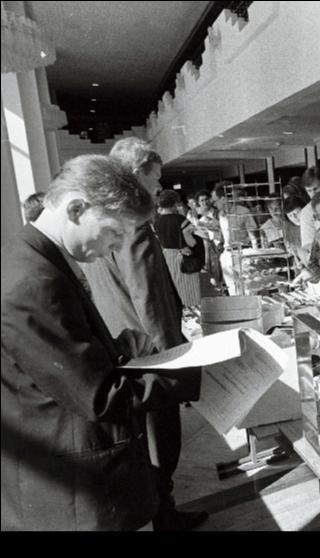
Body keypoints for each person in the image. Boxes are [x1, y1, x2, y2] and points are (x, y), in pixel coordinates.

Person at [1, 155, 201, 530]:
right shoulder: (34, 282)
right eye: (114, 232)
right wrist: (193, 370)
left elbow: (75, 348)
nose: (115, 248)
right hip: (73, 493)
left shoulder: (35, 258)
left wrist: (141, 345)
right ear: (76, 208)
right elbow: (100, 395)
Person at [79, 138, 208, 531]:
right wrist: (174, 359)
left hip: (122, 344)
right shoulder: (133, 223)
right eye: (154, 180)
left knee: (147, 442)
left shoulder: (101, 221)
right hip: (148, 350)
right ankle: (164, 515)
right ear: (135, 176)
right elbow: (146, 295)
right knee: (160, 442)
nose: (158, 188)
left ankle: (162, 512)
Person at [154, 189, 202, 309]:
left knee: (173, 289)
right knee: (188, 290)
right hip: (182, 257)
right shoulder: (180, 220)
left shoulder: (156, 222)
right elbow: (191, 242)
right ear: (175, 203)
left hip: (165, 258)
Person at [212, 181, 260, 295]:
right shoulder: (220, 214)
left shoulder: (243, 211)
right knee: (233, 291)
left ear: (223, 199)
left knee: (249, 290)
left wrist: (255, 255)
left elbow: (253, 234)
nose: (214, 204)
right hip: (227, 254)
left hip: (243, 252)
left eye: (215, 201)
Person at [297, 167, 320, 267]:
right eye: (309, 191)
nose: (313, 194)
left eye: (316, 188)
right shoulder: (307, 212)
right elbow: (308, 245)